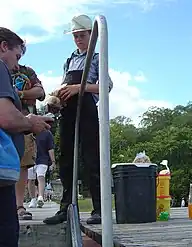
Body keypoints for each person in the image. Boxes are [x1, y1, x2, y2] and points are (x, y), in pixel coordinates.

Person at [43, 14, 113, 225]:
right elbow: (66, 84)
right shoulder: (69, 59)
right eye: (75, 36)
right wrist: (57, 97)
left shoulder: (97, 57)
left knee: (91, 157)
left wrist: (78, 88)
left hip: (87, 108)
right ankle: (66, 207)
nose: (78, 40)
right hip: (68, 109)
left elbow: (106, 86)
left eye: (82, 35)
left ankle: (99, 209)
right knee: (65, 159)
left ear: (92, 36)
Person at [0, 27, 54, 247]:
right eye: (16, 55)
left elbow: (40, 91)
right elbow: (6, 117)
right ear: (4, 46)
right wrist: (30, 122)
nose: (15, 63)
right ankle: (18, 204)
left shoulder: (25, 71)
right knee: (6, 232)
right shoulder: (1, 67)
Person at [12, 64, 46, 220]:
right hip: (4, 119)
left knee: (23, 164)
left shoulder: (26, 71)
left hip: (25, 123)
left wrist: (18, 94)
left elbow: (40, 92)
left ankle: (19, 206)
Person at [27, 129, 56, 208]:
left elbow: (50, 148)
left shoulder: (46, 133)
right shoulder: (28, 131)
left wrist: (53, 161)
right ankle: (35, 198)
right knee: (32, 179)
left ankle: (39, 197)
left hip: (41, 159)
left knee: (38, 178)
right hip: (31, 159)